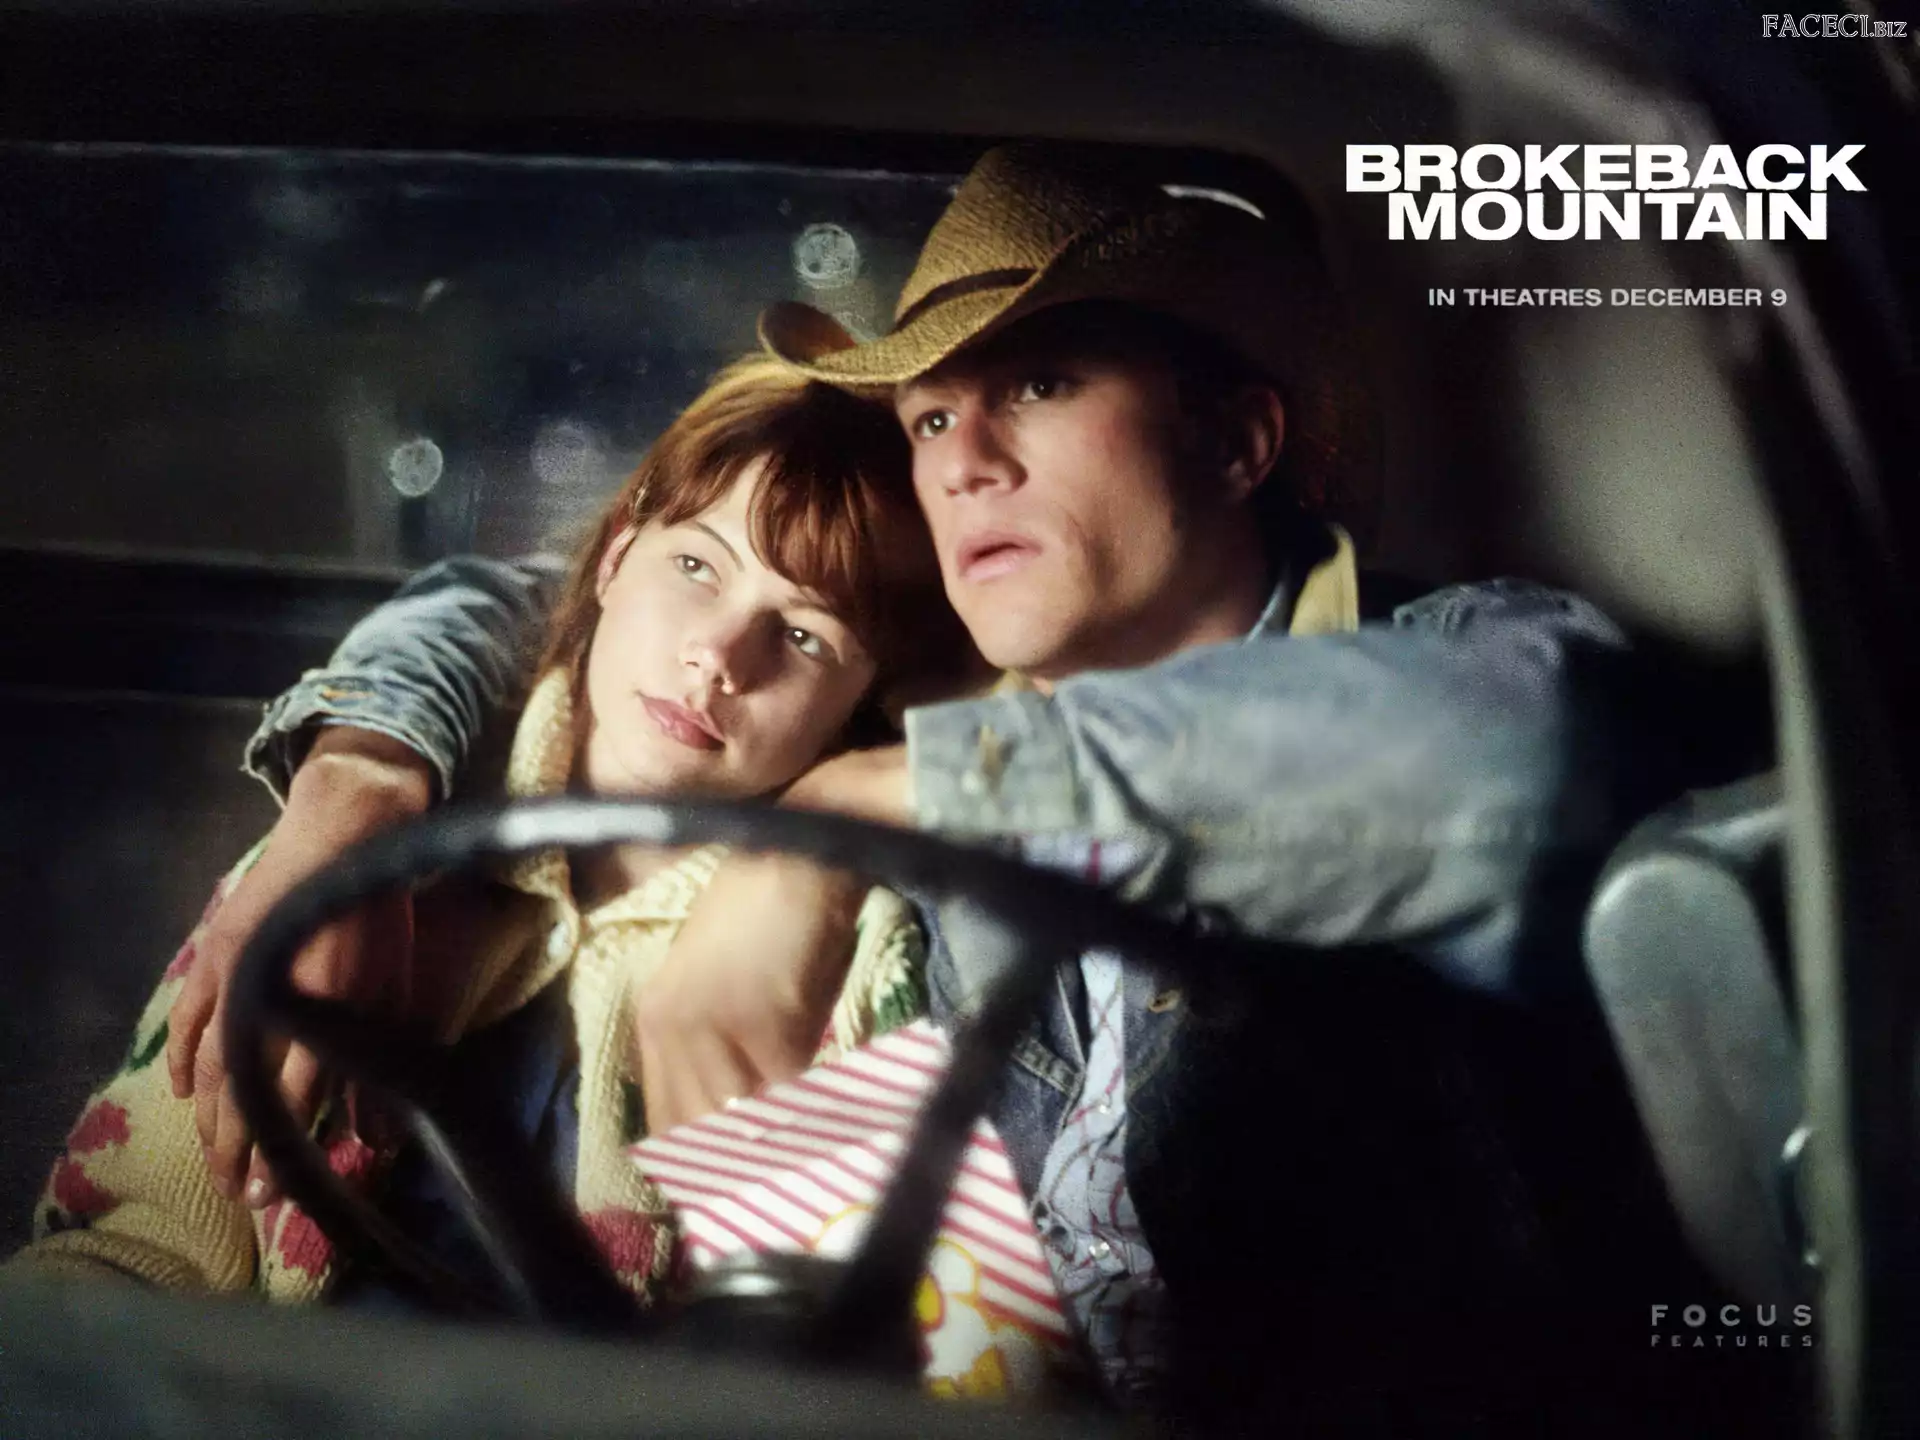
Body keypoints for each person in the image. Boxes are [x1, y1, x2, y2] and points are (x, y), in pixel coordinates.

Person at [165, 146, 1709, 1429]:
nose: (962, 457)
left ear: (1241, 441)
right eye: (927, 417)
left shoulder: (1450, 662)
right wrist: (360, 777)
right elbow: (583, 599)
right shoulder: (918, 718)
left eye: (1039, 382)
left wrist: (839, 819)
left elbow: (1534, 758)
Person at [5, 357, 966, 1307]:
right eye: (695, 566)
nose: (717, 656)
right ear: (617, 555)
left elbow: (817, 1340)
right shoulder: (357, 855)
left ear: (861, 704)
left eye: (802, 636)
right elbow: (141, 1239)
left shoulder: (853, 964)